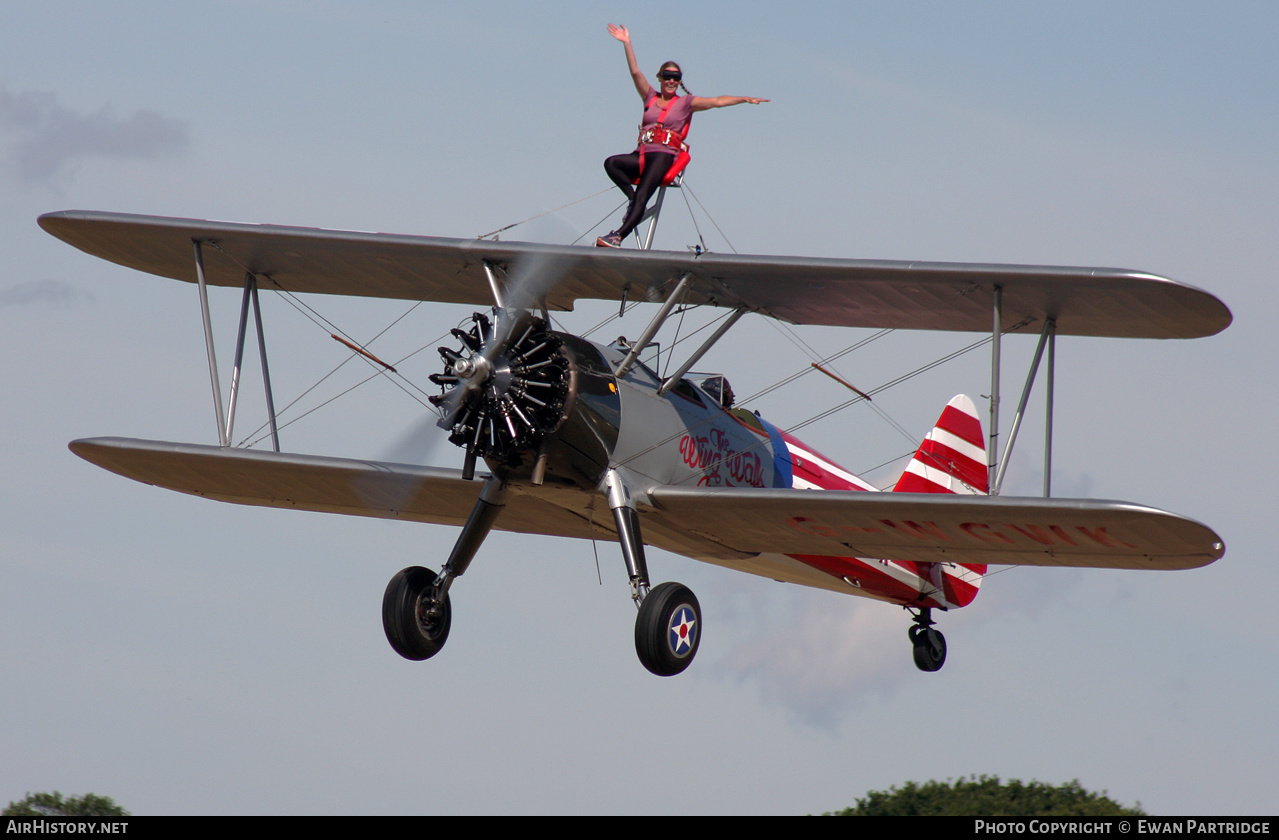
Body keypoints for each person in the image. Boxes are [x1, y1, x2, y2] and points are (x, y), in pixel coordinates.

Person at [597, 24, 769, 248]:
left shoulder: (686, 103)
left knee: (644, 195)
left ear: (679, 81)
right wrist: (627, 43)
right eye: (667, 76)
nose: (671, 81)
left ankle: (618, 235)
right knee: (612, 164)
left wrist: (744, 98)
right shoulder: (649, 97)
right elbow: (635, 72)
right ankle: (631, 202)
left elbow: (717, 101)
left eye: (675, 77)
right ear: (660, 77)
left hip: (662, 156)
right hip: (642, 154)